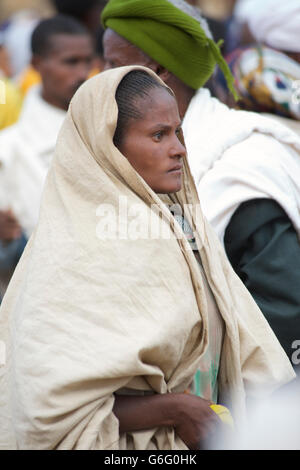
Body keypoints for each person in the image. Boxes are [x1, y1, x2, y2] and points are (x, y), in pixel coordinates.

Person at [0, 65, 294, 450]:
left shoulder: (185, 226)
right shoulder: (73, 251)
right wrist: (172, 409)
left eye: (178, 132)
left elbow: (246, 340)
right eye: (158, 135)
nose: (179, 149)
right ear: (109, 147)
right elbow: (44, 409)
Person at [101, 0, 300, 368]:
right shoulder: (115, 150)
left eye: (113, 65)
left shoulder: (245, 164)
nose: (100, 80)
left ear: (156, 69)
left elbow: (283, 308)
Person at [0, 15, 95, 300]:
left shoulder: (112, 134)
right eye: (70, 62)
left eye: (87, 61)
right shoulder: (9, 151)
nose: (82, 73)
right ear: (37, 64)